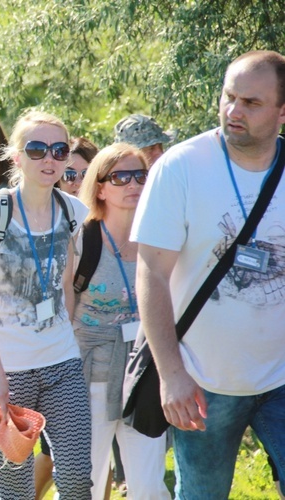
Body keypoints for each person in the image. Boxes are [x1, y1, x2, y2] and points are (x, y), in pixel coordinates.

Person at [131, 50, 285, 499]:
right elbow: (152, 275)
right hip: (202, 382)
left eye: (251, 103)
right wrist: (172, 374)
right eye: (229, 97)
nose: (234, 111)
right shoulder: (179, 167)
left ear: (282, 110)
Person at [0, 109, 92, 499]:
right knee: (16, 489)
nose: (50, 159)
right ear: (17, 156)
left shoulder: (75, 213)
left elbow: (68, 286)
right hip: (7, 369)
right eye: (37, 149)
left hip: (61, 363)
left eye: (59, 150)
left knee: (75, 480)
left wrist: (69, 336)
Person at [74, 144, 170, 499]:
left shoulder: (161, 237)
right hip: (89, 380)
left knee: (148, 487)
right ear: (99, 187)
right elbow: (64, 310)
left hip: (144, 378)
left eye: (139, 175)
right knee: (84, 485)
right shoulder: (81, 238)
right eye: (120, 177)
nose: (133, 184)